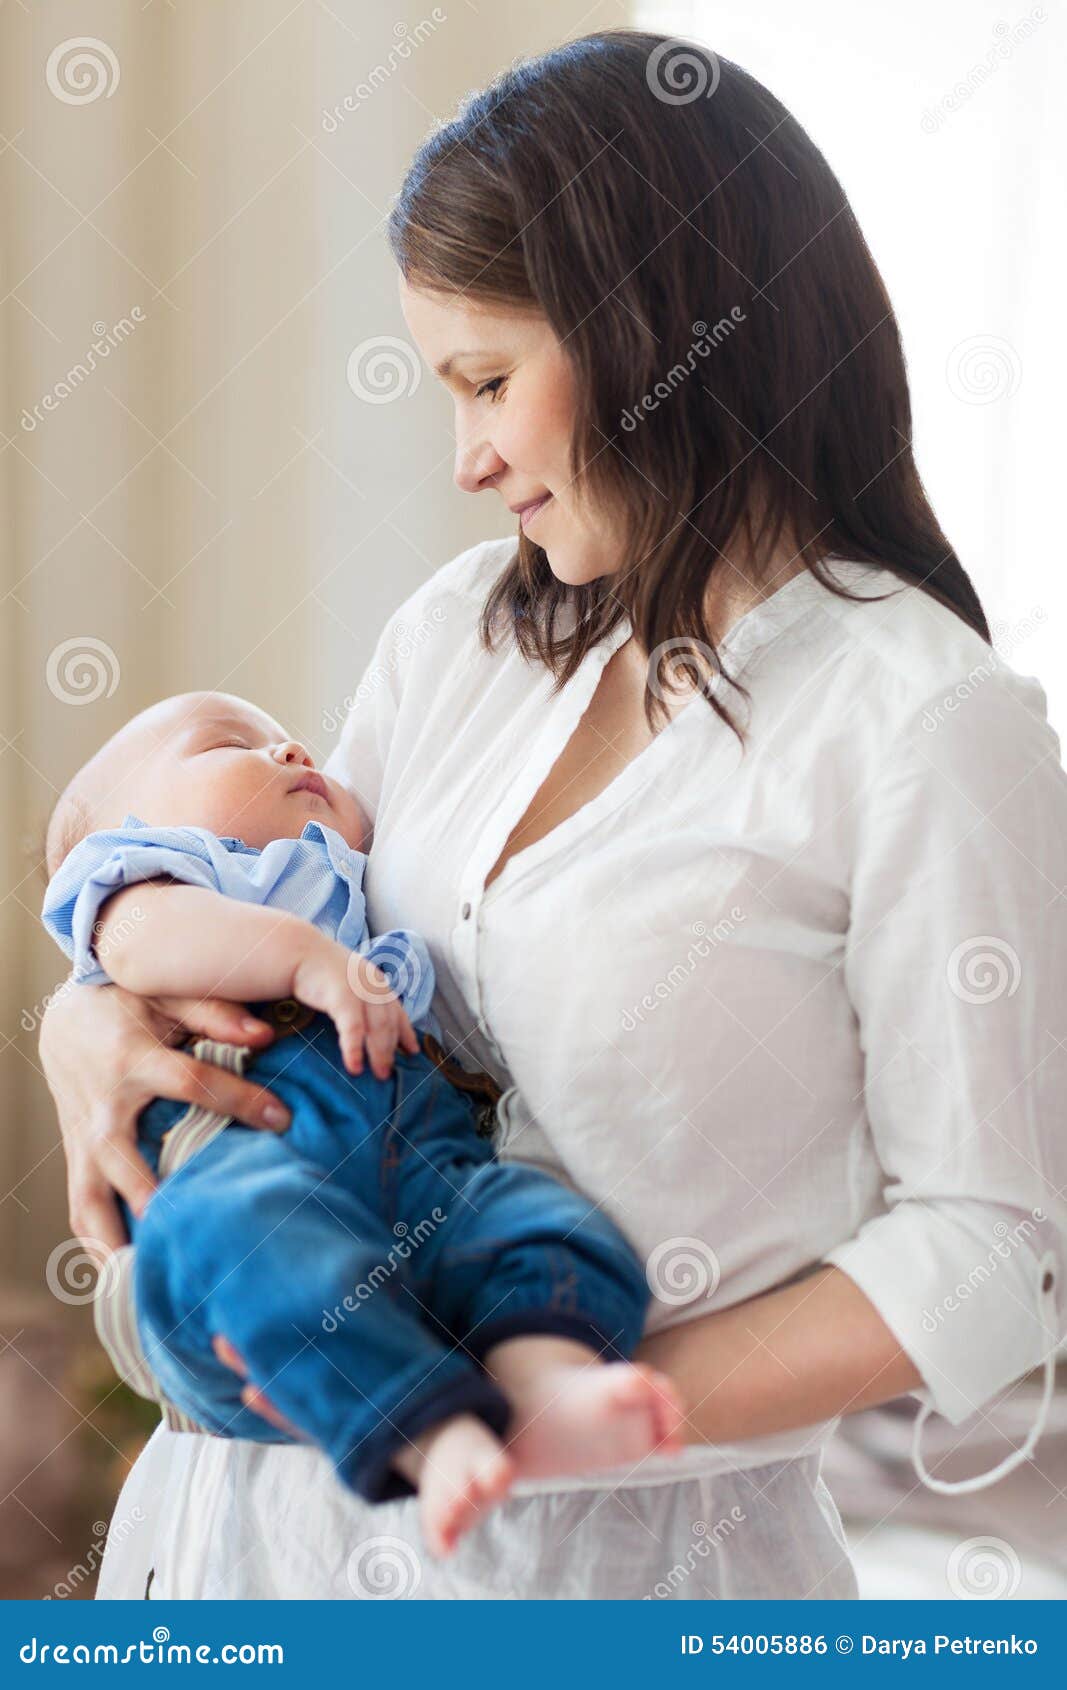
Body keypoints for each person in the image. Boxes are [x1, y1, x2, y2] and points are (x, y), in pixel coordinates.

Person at [40, 32, 1066, 1600]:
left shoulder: (922, 723)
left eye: (488, 382)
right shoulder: (460, 633)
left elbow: (993, 1247)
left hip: (617, 1577)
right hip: (243, 1548)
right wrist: (89, 1013)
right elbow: (265, 906)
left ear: (657, 329)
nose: (467, 460)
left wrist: (549, 1414)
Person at [40, 690, 681, 1557]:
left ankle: (542, 1381)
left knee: (541, 1220)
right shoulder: (150, 882)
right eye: (228, 744)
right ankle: (430, 1431)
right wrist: (306, 961)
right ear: (125, 835)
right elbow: (142, 943)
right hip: (244, 1178)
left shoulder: (353, 887)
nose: (292, 750)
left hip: (417, 1174)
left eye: (287, 737)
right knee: (254, 1241)